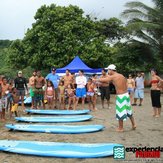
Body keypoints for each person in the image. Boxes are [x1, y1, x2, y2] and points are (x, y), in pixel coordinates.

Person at [93, 64, 136, 132]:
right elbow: (125, 83)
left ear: (111, 70)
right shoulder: (121, 75)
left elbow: (105, 79)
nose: (107, 72)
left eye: (108, 70)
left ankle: (121, 128)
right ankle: (134, 124)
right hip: (126, 94)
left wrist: (96, 79)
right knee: (128, 111)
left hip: (121, 96)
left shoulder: (113, 76)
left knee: (120, 112)